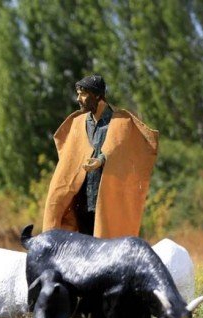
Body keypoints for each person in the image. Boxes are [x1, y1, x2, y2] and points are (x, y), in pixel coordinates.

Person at [42, 74, 159, 238]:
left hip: (107, 201)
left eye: (83, 94)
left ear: (97, 95)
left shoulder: (120, 122)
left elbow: (121, 150)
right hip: (80, 202)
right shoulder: (77, 123)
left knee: (106, 249)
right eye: (78, 93)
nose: (78, 99)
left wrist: (102, 160)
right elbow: (69, 159)